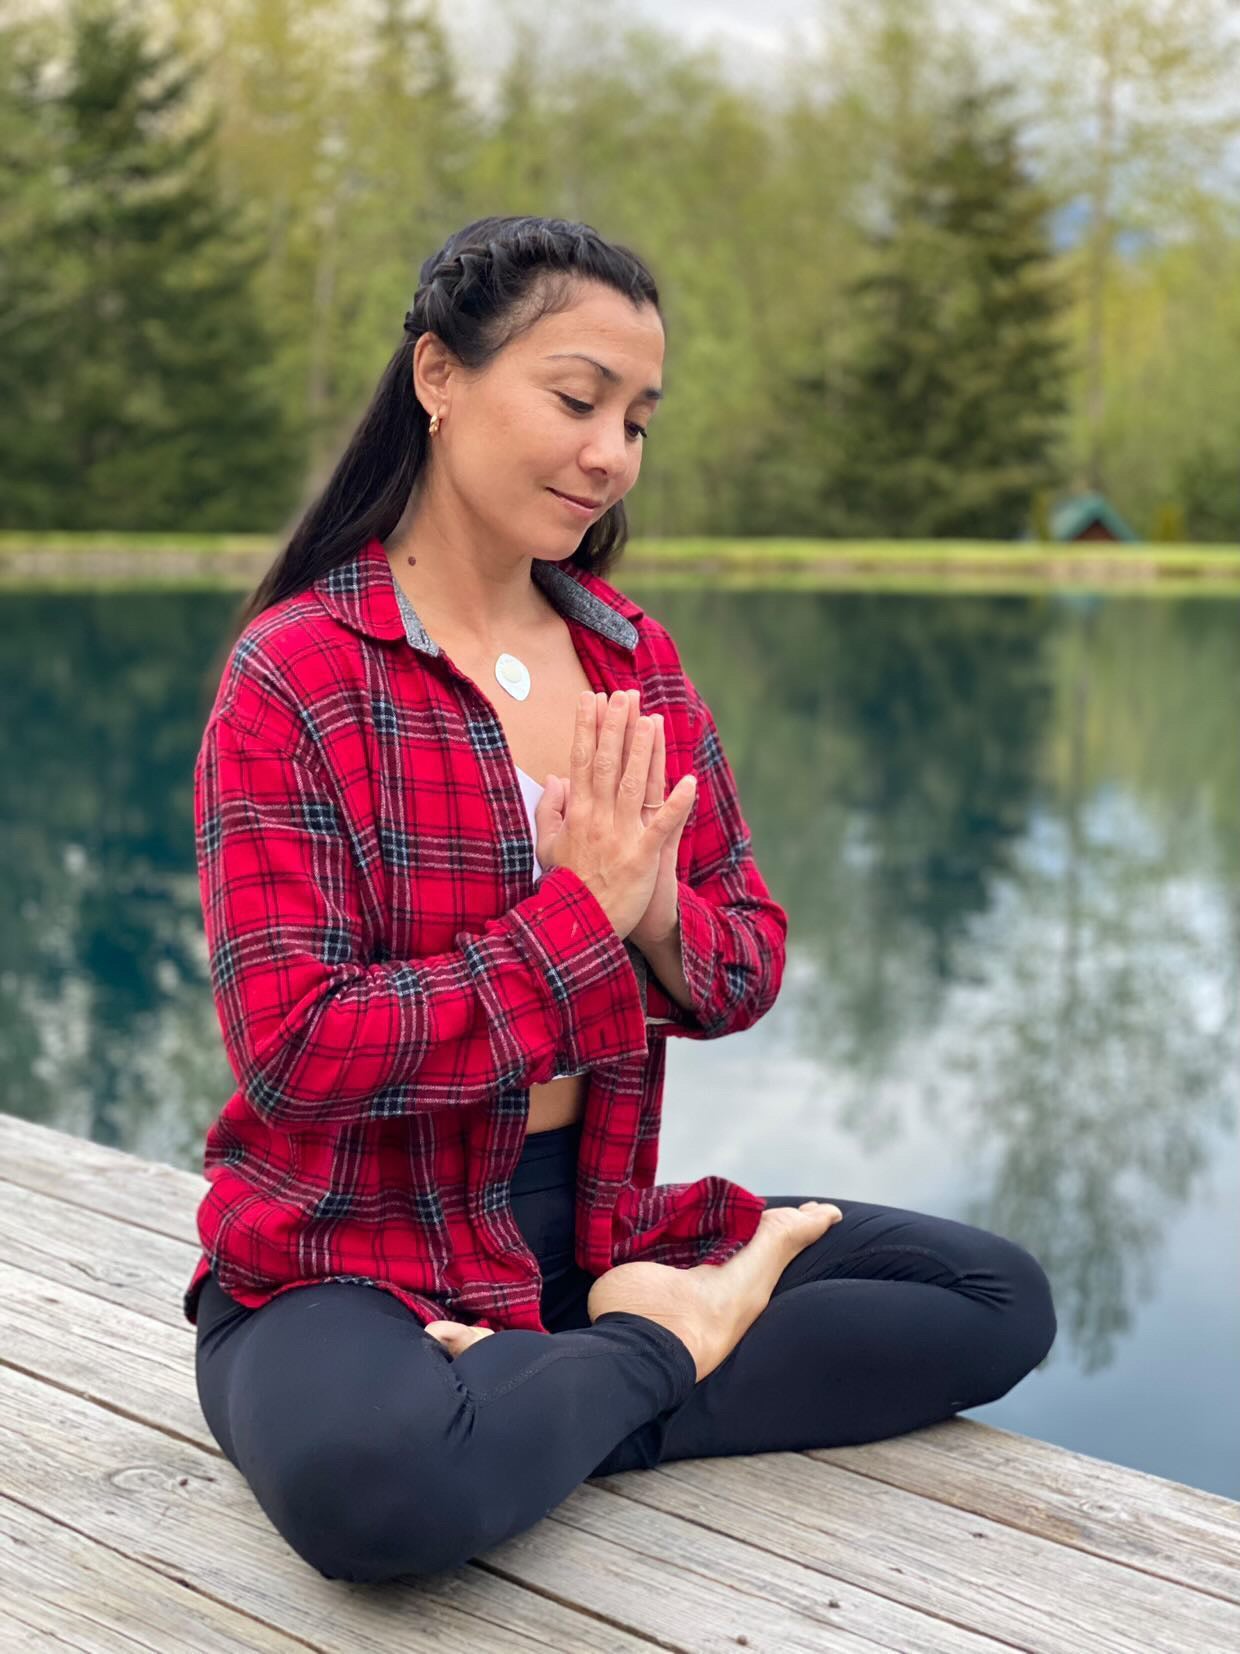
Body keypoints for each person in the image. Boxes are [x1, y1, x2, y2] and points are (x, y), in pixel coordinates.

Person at [187, 214, 1057, 1585]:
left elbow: (749, 958)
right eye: (577, 398)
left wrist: (652, 910)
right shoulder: (298, 673)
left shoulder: (632, 659)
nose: (612, 452)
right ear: (438, 376)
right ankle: (663, 1345)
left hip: (589, 1228)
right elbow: (296, 1052)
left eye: (638, 419)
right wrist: (579, 917)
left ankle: (545, 1386)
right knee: (378, 1491)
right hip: (347, 1250)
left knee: (995, 1298)